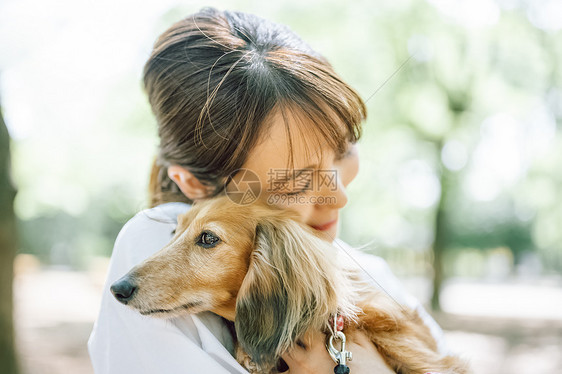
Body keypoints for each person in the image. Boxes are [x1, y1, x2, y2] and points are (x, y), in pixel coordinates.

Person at [88, 7, 448, 373]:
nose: (338, 196)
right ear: (197, 185)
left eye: (344, 151)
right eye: (293, 184)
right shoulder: (150, 237)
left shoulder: (372, 274)